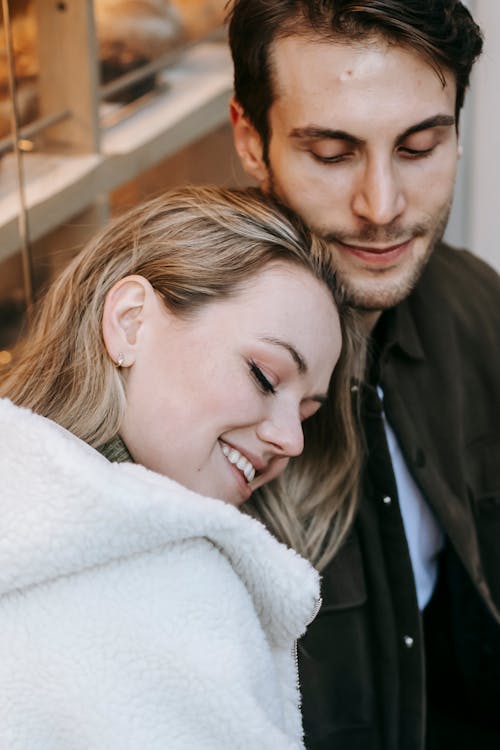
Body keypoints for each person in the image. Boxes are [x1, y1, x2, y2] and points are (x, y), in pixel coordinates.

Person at [0, 185, 363, 749]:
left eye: (308, 413)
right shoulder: (186, 599)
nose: (291, 440)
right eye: (264, 377)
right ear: (130, 321)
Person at [227, 2, 500, 749]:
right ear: (252, 141)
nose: (381, 207)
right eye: (333, 153)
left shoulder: (478, 303)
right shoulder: (179, 383)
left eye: (417, 148)